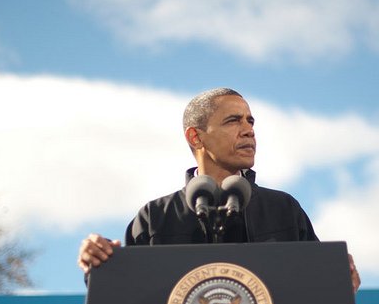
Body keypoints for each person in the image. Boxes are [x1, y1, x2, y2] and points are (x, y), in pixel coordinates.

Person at [77, 88, 360, 292]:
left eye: (250, 121)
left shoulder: (284, 209)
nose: (248, 130)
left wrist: (340, 278)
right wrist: (98, 263)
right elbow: (125, 294)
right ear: (196, 136)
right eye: (233, 120)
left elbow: (320, 291)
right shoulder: (155, 217)